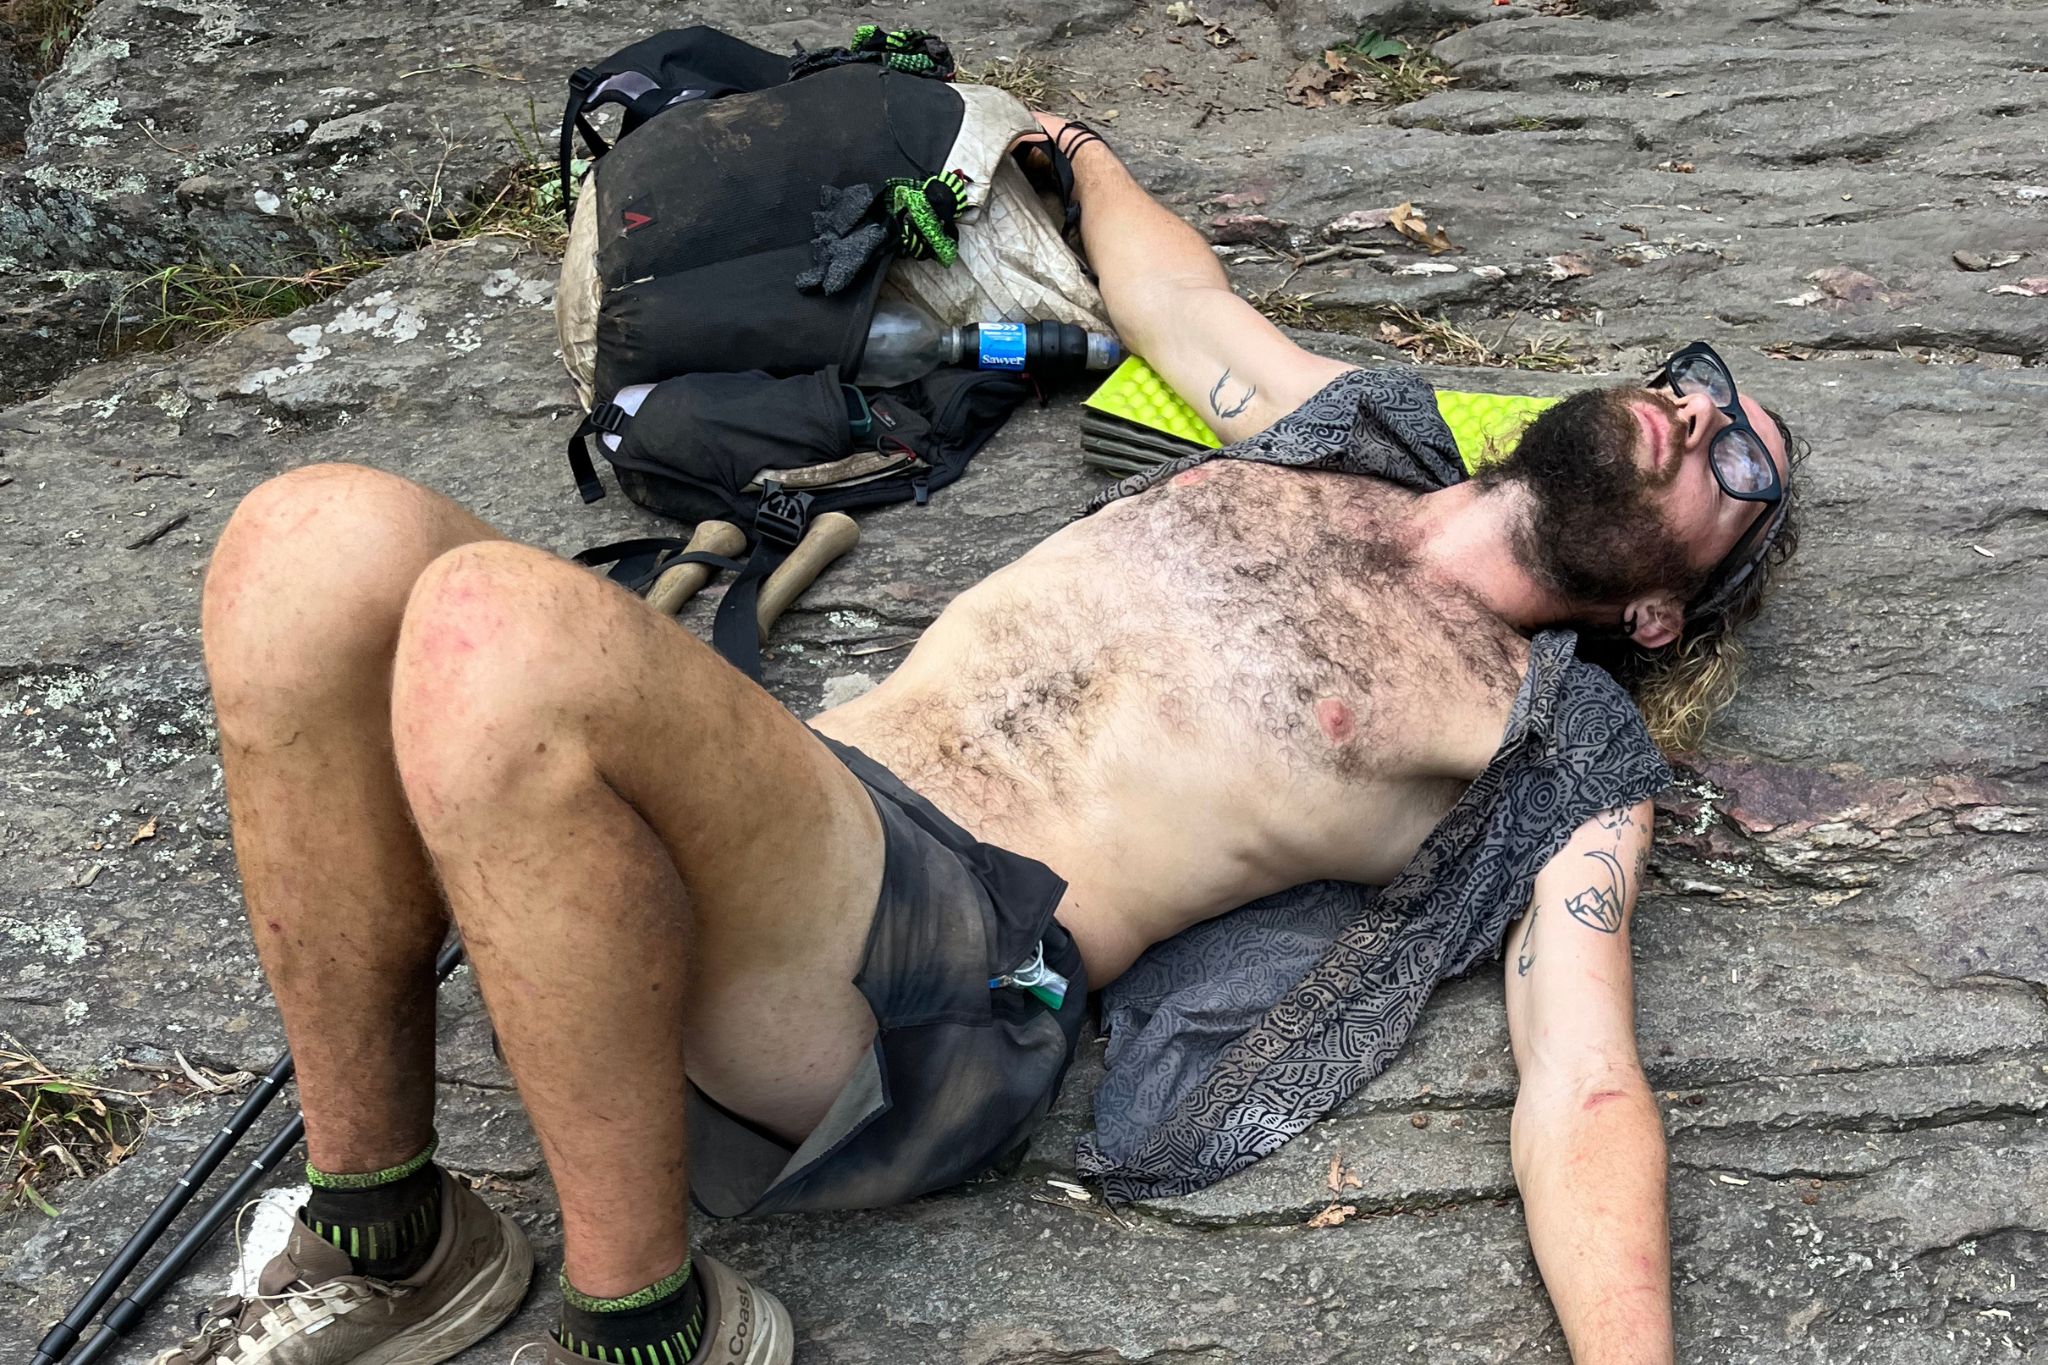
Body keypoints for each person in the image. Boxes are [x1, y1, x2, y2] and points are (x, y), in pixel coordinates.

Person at [162, 113, 1801, 1365]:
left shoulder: (1557, 743)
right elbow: (1180, 297)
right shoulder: (1338, 434)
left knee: (489, 636)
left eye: (1739, 472)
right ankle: (390, 1235)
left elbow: (1584, 1081)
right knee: (310, 546)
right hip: (796, 812)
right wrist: (1063, 147)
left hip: (943, 975)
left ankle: (651, 1317)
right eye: (1706, 391)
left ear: (1665, 615)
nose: (1704, 420)